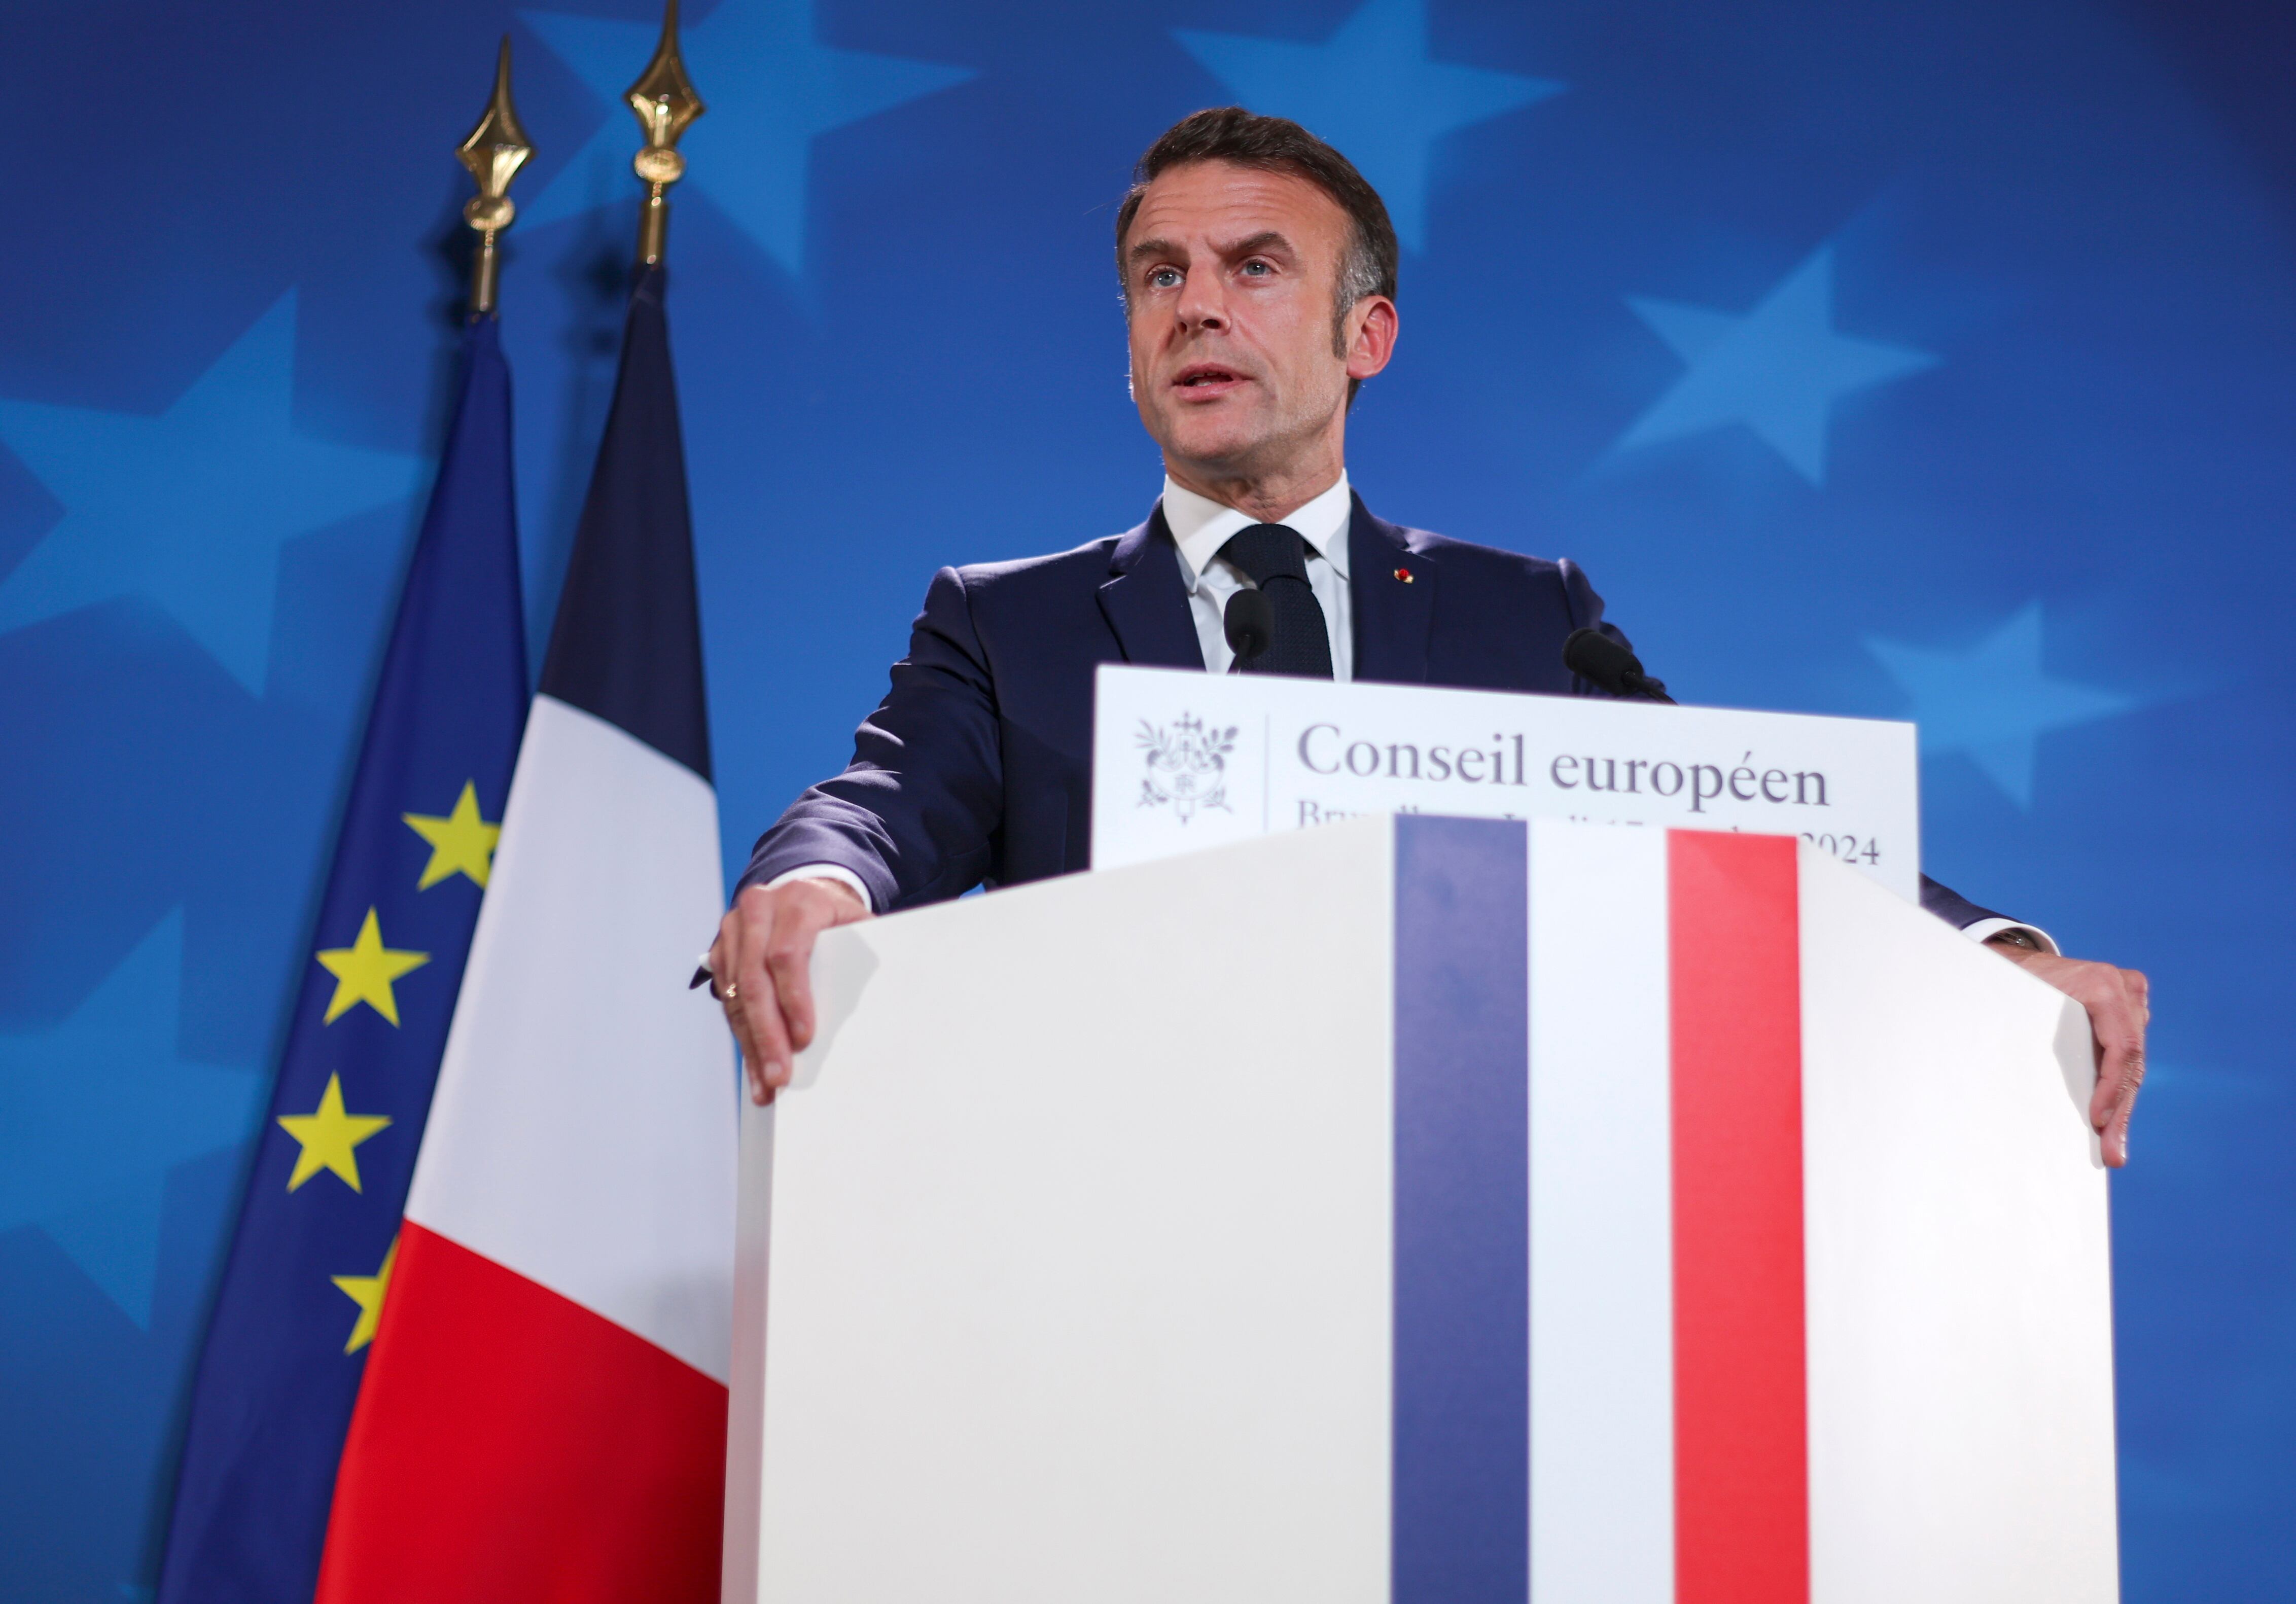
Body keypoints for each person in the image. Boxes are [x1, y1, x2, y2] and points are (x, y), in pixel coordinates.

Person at [709, 108, 2148, 1162]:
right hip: (1120, 1212)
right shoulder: (1008, 622)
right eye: (1161, 274)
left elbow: (1742, 829)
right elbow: (879, 808)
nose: (1196, 303)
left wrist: (1998, 954)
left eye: (1254, 266)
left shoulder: (1532, 620)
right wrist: (814, 883)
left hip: (1466, 1222)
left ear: (1367, 336)